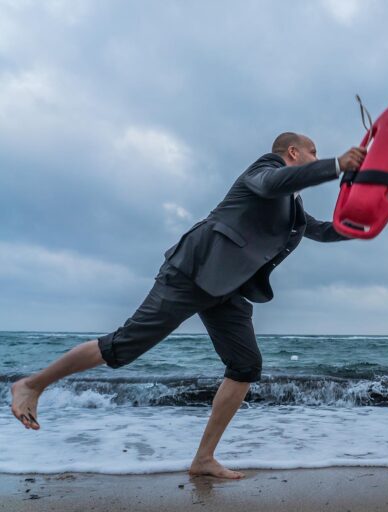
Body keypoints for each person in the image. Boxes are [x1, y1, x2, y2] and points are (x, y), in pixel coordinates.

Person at [10, 132, 366, 479]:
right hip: (193, 271)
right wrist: (335, 165)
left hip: (227, 288)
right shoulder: (264, 170)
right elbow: (273, 182)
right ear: (292, 152)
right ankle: (33, 385)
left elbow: (322, 230)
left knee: (245, 365)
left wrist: (369, 222)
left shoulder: (293, 207)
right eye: (313, 152)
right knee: (123, 346)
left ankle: (203, 459)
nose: (316, 159)